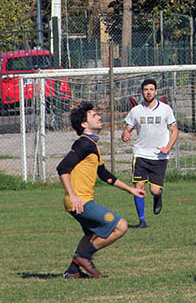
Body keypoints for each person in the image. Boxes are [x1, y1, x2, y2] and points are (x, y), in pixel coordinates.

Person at [57, 102, 145, 278]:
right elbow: (62, 168)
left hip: (80, 200)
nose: (99, 117)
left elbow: (104, 174)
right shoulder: (84, 143)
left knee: (91, 234)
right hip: (80, 201)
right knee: (121, 226)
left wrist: (130, 190)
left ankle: (73, 271)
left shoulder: (92, 145)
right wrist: (72, 195)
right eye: (93, 115)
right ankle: (84, 256)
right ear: (84, 124)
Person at [122, 78, 178, 228]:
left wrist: (168, 148)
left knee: (154, 190)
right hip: (140, 154)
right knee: (138, 187)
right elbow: (127, 129)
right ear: (142, 92)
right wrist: (125, 135)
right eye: (146, 89)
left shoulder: (165, 109)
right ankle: (142, 220)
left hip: (159, 156)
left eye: (151, 89)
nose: (148, 92)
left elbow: (174, 131)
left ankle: (158, 197)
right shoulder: (136, 111)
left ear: (156, 92)